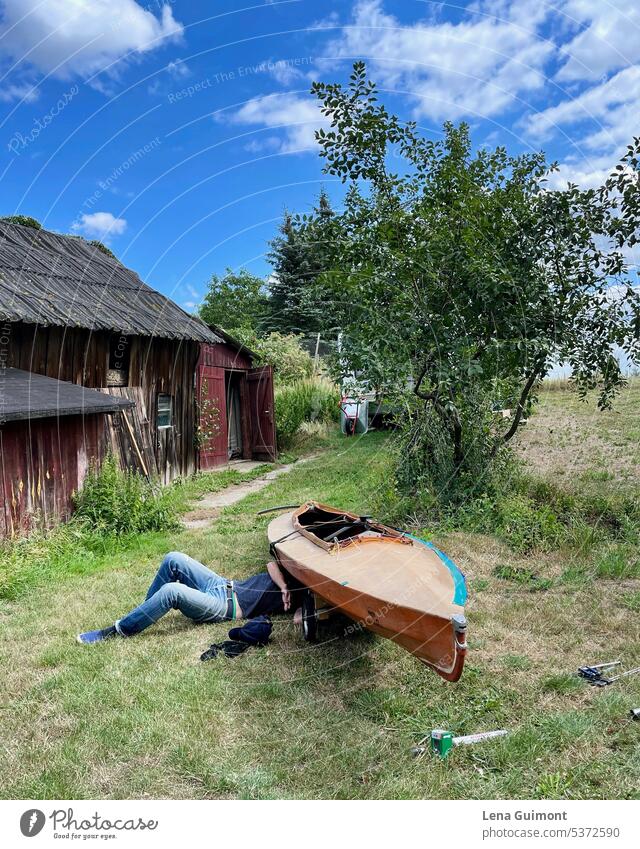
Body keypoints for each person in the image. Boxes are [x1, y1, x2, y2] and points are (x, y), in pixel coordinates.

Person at [76, 551, 303, 644]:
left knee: (171, 591)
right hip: (223, 584)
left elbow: (300, 618)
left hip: (226, 606)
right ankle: (144, 611)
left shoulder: (310, 593)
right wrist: (283, 585)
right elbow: (271, 563)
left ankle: (118, 630)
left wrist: (299, 610)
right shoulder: (297, 567)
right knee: (174, 558)